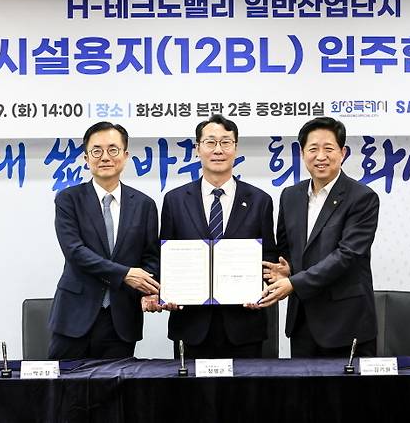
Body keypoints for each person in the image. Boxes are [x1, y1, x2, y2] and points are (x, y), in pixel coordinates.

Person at [159, 114, 278, 359]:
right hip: (191, 325)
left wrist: (261, 289)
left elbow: (268, 256)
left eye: (226, 142)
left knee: (245, 386)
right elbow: (165, 256)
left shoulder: (260, 200)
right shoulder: (175, 200)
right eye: (210, 142)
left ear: (236, 148)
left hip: (244, 325)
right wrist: (167, 292)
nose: (218, 150)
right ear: (197, 148)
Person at [260, 116, 379, 358]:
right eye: (313, 149)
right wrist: (286, 269)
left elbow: (347, 255)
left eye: (329, 148)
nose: (320, 156)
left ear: (343, 153)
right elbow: (286, 248)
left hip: (346, 323)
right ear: (302, 153)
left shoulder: (362, 198)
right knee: (303, 384)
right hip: (302, 321)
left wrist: (294, 283)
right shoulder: (290, 196)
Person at [47, 121, 160, 359]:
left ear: (125, 156)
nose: (105, 157)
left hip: (121, 318)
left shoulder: (144, 205)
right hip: (74, 316)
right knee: (64, 382)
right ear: (86, 158)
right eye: (96, 151)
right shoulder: (68, 199)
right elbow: (75, 252)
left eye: (113, 149)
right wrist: (125, 274)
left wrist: (149, 290)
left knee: (115, 383)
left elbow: (151, 257)